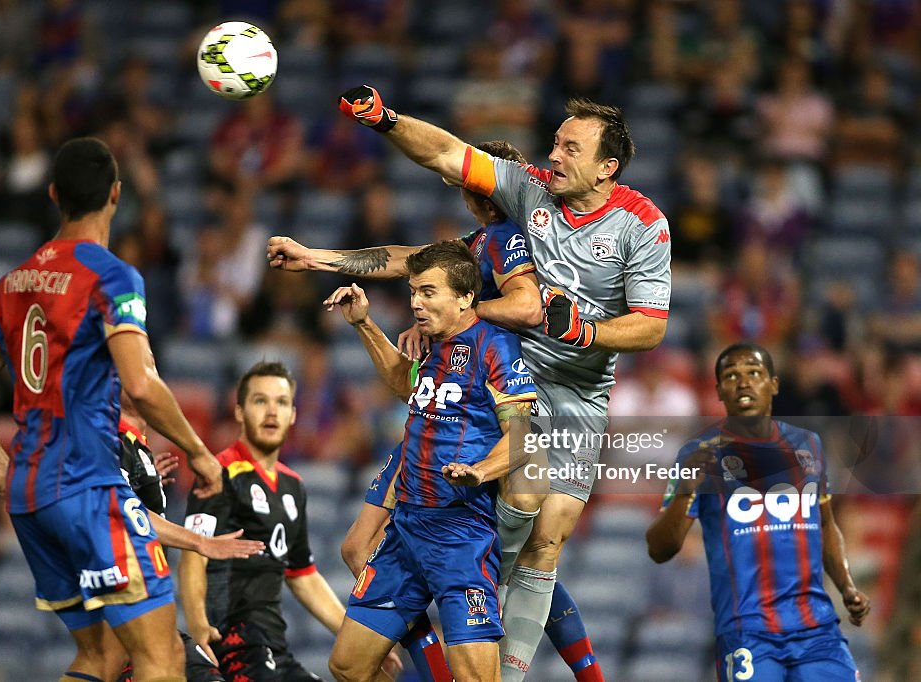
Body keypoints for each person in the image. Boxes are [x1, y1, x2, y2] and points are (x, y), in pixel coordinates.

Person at [334, 84, 670, 680]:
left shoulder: (643, 224)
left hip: (578, 395)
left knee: (546, 541)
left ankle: (495, 658)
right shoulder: (529, 190)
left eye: (571, 148)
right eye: (556, 143)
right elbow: (445, 152)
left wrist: (585, 333)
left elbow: (649, 328)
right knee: (391, 539)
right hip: (505, 378)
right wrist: (385, 118)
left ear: (606, 167)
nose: (556, 156)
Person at [270, 138, 606, 681]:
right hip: (424, 475)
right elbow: (407, 261)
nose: (417, 300)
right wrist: (318, 261)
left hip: (494, 443)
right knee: (355, 573)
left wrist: (459, 319)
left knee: (530, 538)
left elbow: (524, 304)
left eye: (427, 293)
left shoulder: (512, 244)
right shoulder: (469, 253)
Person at [0, 137, 224, 682]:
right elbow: (141, 387)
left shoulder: (12, 283)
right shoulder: (110, 276)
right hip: (87, 486)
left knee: (101, 656)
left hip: (29, 493)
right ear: (116, 195)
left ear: (53, 194)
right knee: (161, 656)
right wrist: (200, 452)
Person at [325, 241, 537, 682]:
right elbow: (406, 384)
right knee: (346, 666)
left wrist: (480, 472)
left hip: (459, 535)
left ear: (464, 298)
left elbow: (522, 436)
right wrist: (364, 325)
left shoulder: (494, 347)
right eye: (413, 292)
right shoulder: (433, 345)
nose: (416, 303)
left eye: (428, 292)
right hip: (404, 530)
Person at [646, 342, 870, 681]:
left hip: (817, 628)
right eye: (731, 376)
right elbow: (659, 548)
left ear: (774, 384)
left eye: (754, 373)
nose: (744, 382)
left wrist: (846, 586)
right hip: (747, 632)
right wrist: (686, 492)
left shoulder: (808, 445)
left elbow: (825, 526)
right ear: (719, 391)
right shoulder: (698, 455)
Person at [179, 362, 395, 682]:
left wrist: (357, 638)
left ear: (293, 414)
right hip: (232, 640)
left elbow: (303, 576)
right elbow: (193, 556)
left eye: (280, 402)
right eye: (259, 401)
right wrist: (198, 625)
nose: (271, 411)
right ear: (239, 412)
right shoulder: (220, 473)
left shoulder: (293, 485)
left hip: (273, 645)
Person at [115, 392, 265, 682]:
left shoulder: (136, 447)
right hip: (128, 613)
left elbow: (126, 498)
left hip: (152, 611)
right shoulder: (113, 441)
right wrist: (202, 542)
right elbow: (123, 513)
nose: (147, 375)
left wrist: (146, 480)